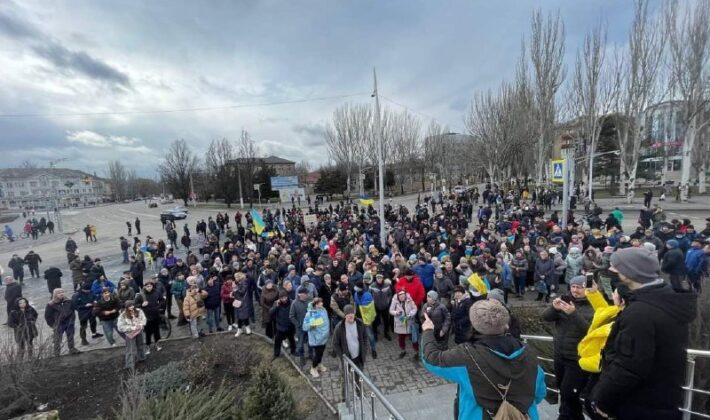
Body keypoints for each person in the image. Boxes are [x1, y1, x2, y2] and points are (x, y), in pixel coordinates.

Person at [588, 247, 697, 420]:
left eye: (616, 267)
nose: (611, 270)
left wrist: (600, 401)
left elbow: (628, 366)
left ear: (631, 273)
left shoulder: (640, 313)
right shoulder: (667, 300)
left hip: (636, 405)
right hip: (660, 399)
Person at [421, 299, 546, 420]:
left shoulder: (467, 356)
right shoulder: (529, 354)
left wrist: (428, 331)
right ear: (506, 324)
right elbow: (540, 394)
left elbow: (431, 359)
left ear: (474, 325)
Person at [542, 275, 592, 420]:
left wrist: (573, 314)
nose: (575, 290)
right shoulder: (565, 300)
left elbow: (590, 331)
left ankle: (565, 416)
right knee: (564, 391)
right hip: (560, 354)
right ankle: (571, 416)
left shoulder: (594, 306)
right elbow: (545, 317)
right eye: (573, 287)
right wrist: (554, 307)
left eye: (579, 287)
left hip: (578, 358)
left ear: (586, 288)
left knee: (569, 392)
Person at [45, 288, 81, 356]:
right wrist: (53, 325)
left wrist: (72, 320)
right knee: (57, 339)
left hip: (69, 322)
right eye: (59, 293)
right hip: (58, 324)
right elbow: (48, 316)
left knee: (70, 336)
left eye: (62, 292)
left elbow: (73, 310)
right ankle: (57, 353)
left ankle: (72, 348)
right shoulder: (51, 304)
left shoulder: (68, 301)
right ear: (55, 294)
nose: (61, 294)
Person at [332, 305, 368, 370]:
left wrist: (364, 350)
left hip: (359, 357)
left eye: (352, 313)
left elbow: (365, 337)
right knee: (348, 376)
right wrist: (342, 356)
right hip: (348, 358)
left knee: (359, 374)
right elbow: (335, 343)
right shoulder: (339, 327)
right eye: (348, 314)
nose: (351, 316)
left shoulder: (360, 323)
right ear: (345, 316)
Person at [302, 297, 330, 378]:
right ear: (316, 304)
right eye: (320, 303)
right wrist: (311, 325)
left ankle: (319, 364)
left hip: (324, 337)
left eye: (322, 302)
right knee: (317, 354)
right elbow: (305, 327)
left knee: (321, 353)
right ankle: (313, 368)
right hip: (317, 339)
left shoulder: (323, 310)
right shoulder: (310, 313)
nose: (322, 304)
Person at [135, 280, 164, 352]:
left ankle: (157, 343)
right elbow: (135, 305)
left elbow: (162, 300)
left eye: (150, 286)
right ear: (144, 287)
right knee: (148, 332)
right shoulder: (141, 295)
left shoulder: (156, 292)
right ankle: (148, 345)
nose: (149, 288)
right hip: (146, 316)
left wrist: (158, 306)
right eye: (147, 286)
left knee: (156, 331)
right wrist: (141, 305)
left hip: (155, 314)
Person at [117, 300, 147, 370]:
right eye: (130, 306)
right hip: (130, 334)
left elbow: (144, 318)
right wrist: (131, 328)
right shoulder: (123, 315)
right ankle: (130, 364)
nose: (132, 307)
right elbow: (120, 327)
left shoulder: (139, 311)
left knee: (141, 345)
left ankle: (142, 358)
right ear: (126, 307)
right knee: (130, 349)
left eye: (133, 305)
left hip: (139, 331)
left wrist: (141, 324)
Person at [389, 289, 418, 359]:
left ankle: (416, 352)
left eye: (403, 296)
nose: (402, 297)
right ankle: (403, 350)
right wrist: (396, 312)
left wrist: (410, 314)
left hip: (409, 322)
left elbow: (415, 308)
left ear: (405, 295)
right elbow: (391, 310)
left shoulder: (409, 299)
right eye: (400, 296)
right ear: (398, 296)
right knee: (401, 338)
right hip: (400, 323)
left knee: (414, 338)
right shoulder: (394, 301)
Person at [72, 281, 102, 346]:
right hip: (83, 312)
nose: (88, 291)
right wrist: (84, 306)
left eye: (89, 290)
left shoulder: (90, 291)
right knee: (83, 326)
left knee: (93, 322)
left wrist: (95, 300)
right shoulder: (76, 295)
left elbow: (95, 296)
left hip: (91, 310)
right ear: (82, 289)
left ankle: (94, 334)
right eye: (87, 290)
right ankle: (83, 339)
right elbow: (75, 306)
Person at [290, 286, 313, 366]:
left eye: (307, 293)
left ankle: (311, 354)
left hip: (309, 327)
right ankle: (302, 357)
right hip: (300, 328)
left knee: (311, 342)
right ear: (300, 294)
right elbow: (291, 316)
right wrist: (298, 324)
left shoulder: (309, 302)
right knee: (300, 344)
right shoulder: (294, 303)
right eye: (305, 293)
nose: (307, 294)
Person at [271, 289, 297, 359]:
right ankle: (276, 353)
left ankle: (293, 351)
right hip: (280, 326)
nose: (284, 299)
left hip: (290, 326)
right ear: (279, 298)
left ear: (287, 296)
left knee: (291, 339)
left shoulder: (292, 302)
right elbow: (271, 312)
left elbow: (295, 312)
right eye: (282, 298)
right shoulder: (276, 303)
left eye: (285, 297)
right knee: (277, 340)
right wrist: (276, 306)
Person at [232, 272, 253, 336]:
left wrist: (236, 288)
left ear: (239, 277)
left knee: (244, 316)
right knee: (239, 316)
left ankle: (247, 328)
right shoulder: (237, 283)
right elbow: (236, 293)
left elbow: (242, 292)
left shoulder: (244, 282)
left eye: (236, 277)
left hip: (244, 302)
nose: (235, 278)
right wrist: (233, 292)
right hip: (238, 301)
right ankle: (239, 329)